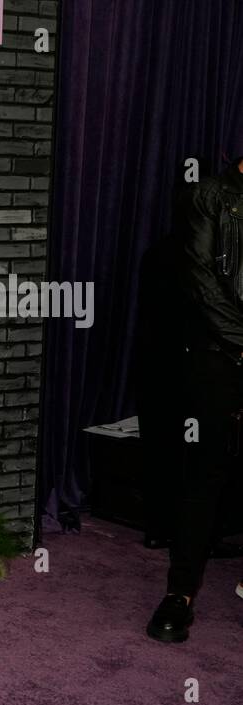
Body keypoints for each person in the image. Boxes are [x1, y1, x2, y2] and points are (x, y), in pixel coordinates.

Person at [146, 154, 243, 643]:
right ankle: (179, 593)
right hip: (217, 353)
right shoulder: (209, 195)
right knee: (205, 470)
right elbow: (202, 284)